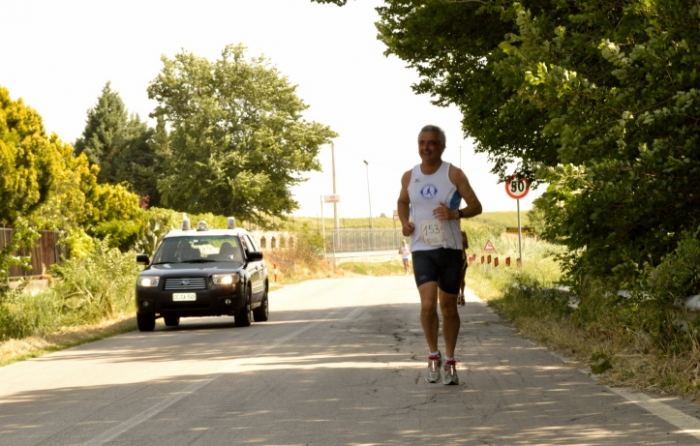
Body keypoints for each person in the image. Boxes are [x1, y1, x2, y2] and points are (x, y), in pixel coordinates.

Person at [397, 124, 482, 385]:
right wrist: (404, 223)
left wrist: (455, 214)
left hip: (450, 248)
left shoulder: (454, 174)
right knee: (426, 305)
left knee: (448, 307)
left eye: (432, 143)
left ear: (441, 147)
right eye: (422, 143)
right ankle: (433, 356)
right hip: (422, 248)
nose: (426, 147)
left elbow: (476, 206)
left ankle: (451, 361)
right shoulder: (409, 176)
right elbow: (402, 202)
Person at [458, 231, 468, 306]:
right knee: (456, 279)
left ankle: (462, 295)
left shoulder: (463, 233)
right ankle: (457, 296)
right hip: (454, 260)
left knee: (462, 278)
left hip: (462, 259)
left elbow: (467, 246)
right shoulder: (451, 233)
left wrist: (463, 241)